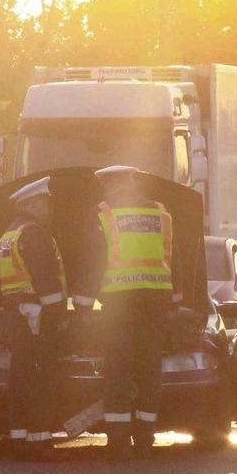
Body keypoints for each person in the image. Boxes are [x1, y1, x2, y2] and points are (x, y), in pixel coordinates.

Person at [76, 166, 183, 456]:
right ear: (134, 182)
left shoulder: (103, 214)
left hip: (119, 307)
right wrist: (176, 301)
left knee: (118, 371)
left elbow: (93, 261)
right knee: (149, 369)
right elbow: (174, 257)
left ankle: (120, 441)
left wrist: (82, 306)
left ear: (109, 186)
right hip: (156, 303)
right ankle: (145, 438)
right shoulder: (161, 212)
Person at [0, 177, 67, 459]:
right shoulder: (35, 234)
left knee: (20, 377)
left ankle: (19, 438)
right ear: (32, 204)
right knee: (39, 378)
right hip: (37, 319)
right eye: (46, 204)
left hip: (16, 317)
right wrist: (59, 315)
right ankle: (39, 442)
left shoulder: (7, 236)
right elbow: (47, 281)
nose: (49, 209)